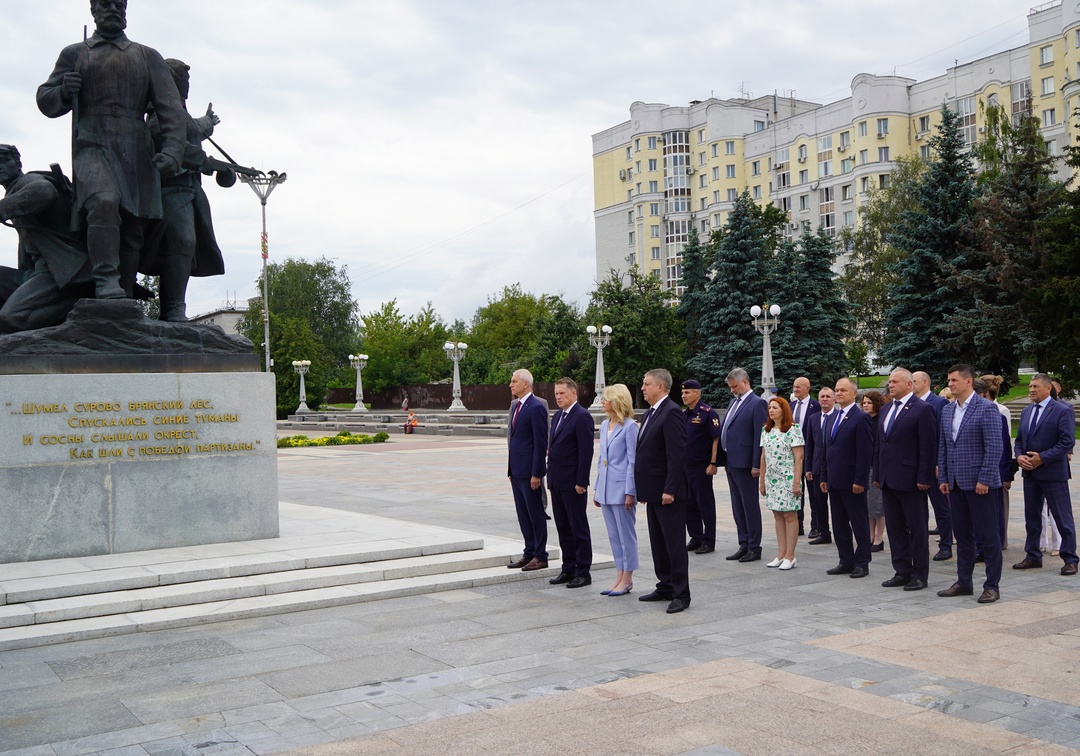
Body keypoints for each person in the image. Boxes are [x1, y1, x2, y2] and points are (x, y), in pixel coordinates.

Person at [37, 0, 186, 300]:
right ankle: (105, 279)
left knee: (133, 228)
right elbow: (45, 99)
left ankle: (124, 296)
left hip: (135, 147)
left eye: (119, 4)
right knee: (103, 201)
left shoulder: (147, 56)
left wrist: (172, 150)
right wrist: (64, 91)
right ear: (93, 10)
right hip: (92, 142)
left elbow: (171, 109)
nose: (114, 9)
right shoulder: (75, 53)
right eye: (106, 4)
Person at [145, 59, 224, 322]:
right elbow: (180, 147)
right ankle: (172, 309)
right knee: (183, 241)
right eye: (184, 80)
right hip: (170, 191)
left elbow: (195, 129)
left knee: (186, 245)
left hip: (190, 193)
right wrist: (217, 165)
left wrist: (208, 121)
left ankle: (175, 307)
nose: (187, 85)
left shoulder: (181, 114)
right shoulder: (160, 116)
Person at [0, 145, 94, 332]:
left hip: (63, 272)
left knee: (10, 318)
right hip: (38, 271)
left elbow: (43, 192)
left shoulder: (29, 180)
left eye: (2, 161)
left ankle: (77, 305)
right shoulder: (13, 191)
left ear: (17, 163)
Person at [937, 364, 1004, 603]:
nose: (950, 384)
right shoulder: (947, 411)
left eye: (954, 380)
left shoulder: (986, 409)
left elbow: (995, 447)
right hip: (955, 484)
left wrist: (985, 478)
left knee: (988, 536)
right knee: (963, 535)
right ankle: (964, 581)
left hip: (981, 485)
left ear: (968, 382)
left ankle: (992, 585)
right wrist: (944, 477)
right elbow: (944, 447)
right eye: (949, 380)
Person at [875, 368, 937, 592]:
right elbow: (880, 444)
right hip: (888, 479)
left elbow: (928, 447)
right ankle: (901, 570)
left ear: (909, 385)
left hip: (911, 480)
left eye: (895, 382)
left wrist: (924, 477)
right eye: (889, 382)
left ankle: (919, 574)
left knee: (917, 529)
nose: (890, 385)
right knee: (895, 528)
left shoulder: (922, 409)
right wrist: (877, 474)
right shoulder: (886, 409)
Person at [635, 369, 691, 614]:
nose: (643, 388)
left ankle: (681, 593)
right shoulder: (650, 412)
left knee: (674, 544)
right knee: (658, 542)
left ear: (660, 386)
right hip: (653, 492)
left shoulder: (671, 413)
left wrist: (670, 489)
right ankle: (665, 585)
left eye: (647, 384)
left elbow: (676, 455)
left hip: (669, 494)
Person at [1013, 373, 1078, 576]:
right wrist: (1019, 457)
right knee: (1032, 516)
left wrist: (1042, 458)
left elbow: (1067, 441)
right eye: (1030, 386)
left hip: (1053, 473)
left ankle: (1070, 558)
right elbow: (1019, 440)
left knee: (1062, 517)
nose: (1031, 390)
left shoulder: (1061, 411)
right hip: (1030, 473)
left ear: (1048, 388)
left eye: (1035, 387)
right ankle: (1033, 555)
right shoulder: (1026, 412)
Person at [820, 377, 874, 578]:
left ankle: (862, 562)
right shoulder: (833, 417)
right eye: (837, 390)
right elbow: (828, 449)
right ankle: (846, 560)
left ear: (854, 393)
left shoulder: (861, 418)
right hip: (835, 480)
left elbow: (865, 452)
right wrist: (824, 476)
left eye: (843, 390)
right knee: (839, 523)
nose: (839, 393)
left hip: (852, 481)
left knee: (858, 522)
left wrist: (860, 480)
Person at [546, 378, 596, 589]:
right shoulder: (557, 416)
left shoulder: (582, 416)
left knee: (578, 528)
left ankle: (583, 571)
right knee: (563, 527)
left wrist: (581, 481)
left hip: (573, 483)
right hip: (557, 481)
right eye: (556, 394)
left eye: (562, 393)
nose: (558, 397)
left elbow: (586, 452)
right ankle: (568, 568)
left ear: (574, 394)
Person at [594, 384, 639, 596]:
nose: (602, 401)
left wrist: (630, 491)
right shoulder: (604, 425)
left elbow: (632, 461)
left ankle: (628, 578)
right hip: (605, 488)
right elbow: (600, 459)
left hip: (622, 489)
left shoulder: (629, 427)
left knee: (625, 536)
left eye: (606, 398)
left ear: (617, 401)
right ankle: (619, 575)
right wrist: (596, 487)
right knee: (613, 536)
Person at [720, 367, 767, 562]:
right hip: (731, 461)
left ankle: (754, 546)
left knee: (749, 506)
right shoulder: (734, 402)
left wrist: (756, 464)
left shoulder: (757, 404)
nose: (732, 390)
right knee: (737, 505)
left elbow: (760, 435)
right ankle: (743, 543)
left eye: (734, 386)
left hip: (747, 463)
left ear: (745, 382)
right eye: (730, 387)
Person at [506, 369, 550, 571]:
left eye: (514, 381)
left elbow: (540, 444)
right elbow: (513, 438)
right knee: (523, 514)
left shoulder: (536, 407)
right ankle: (529, 552)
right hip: (516, 470)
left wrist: (536, 473)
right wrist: (510, 469)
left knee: (535, 514)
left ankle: (541, 555)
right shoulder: (516, 406)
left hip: (530, 472)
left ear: (526, 383)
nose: (510, 384)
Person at [758, 396, 804, 570]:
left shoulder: (793, 429)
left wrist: (796, 482)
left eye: (775, 407)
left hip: (788, 478)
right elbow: (763, 457)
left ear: (783, 410)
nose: (771, 410)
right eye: (770, 407)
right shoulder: (766, 430)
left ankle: (790, 556)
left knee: (789, 516)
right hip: (772, 478)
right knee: (777, 515)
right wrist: (762, 480)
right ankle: (781, 553)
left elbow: (799, 457)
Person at [914, 371, 953, 562]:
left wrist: (940, 463)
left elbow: (942, 436)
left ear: (925, 382)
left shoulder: (939, 403)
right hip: (915, 465)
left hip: (935, 466)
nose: (911, 384)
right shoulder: (911, 403)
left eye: (914, 381)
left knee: (941, 507)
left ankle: (946, 545)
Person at [681, 379, 721, 554]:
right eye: (683, 393)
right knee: (689, 504)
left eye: (687, 392)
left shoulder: (707, 413)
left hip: (701, 467)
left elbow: (715, 439)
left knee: (705, 504)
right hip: (686, 466)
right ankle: (696, 537)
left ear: (697, 393)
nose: (684, 396)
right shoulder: (685, 414)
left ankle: (709, 540)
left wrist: (713, 463)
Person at [981, 374, 1013, 549]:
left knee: (999, 507)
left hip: (997, 467)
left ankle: (1000, 541)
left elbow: (1004, 442)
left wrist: (1005, 472)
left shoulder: (1000, 411)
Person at [790, 377, 819, 537]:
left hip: (810, 454)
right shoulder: (791, 405)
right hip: (793, 455)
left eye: (798, 387)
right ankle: (798, 524)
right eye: (794, 387)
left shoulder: (816, 406)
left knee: (813, 492)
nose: (795, 389)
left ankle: (816, 526)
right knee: (796, 490)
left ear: (807, 388)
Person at [805, 387, 834, 545]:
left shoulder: (838, 417)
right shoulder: (813, 418)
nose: (824, 399)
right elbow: (809, 444)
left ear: (833, 399)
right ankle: (823, 532)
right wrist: (808, 467)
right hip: (816, 466)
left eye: (828, 396)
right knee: (818, 502)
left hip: (834, 466)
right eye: (822, 396)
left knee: (836, 502)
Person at [861, 390, 888, 552]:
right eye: (864, 402)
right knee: (868, 505)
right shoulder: (863, 420)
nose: (865, 405)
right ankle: (870, 535)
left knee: (879, 505)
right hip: (865, 465)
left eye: (869, 403)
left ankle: (879, 538)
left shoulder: (881, 420)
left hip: (877, 465)